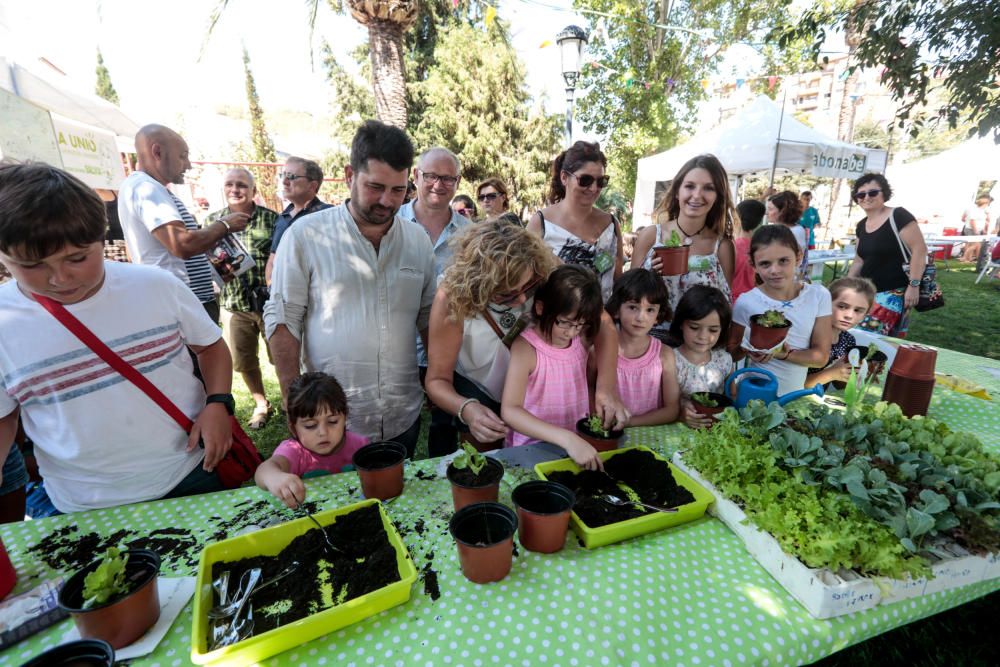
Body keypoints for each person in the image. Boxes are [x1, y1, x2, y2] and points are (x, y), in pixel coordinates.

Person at [0, 163, 235, 516]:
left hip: (189, 475)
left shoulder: (157, 286)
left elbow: (210, 345)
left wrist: (218, 402)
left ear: (103, 237)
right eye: (32, 265)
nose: (60, 278)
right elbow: (5, 415)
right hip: (81, 503)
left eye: (78, 258)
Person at [264, 121, 435, 458]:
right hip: (333, 423)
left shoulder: (418, 241)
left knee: (397, 505)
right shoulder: (305, 236)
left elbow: (429, 318)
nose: (386, 201)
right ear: (348, 174)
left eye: (398, 190)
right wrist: (292, 402)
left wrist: (437, 380)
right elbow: (283, 320)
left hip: (403, 415)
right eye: (375, 186)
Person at [424, 221, 628, 456]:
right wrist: (467, 409)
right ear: (479, 285)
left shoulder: (542, 264)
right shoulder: (452, 298)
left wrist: (605, 388)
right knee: (490, 461)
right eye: (505, 294)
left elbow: (602, 322)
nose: (522, 300)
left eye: (529, 286)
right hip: (479, 389)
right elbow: (437, 380)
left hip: (537, 391)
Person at [118, 124, 249, 322]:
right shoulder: (147, 189)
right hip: (183, 304)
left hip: (182, 301)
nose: (188, 165)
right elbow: (182, 244)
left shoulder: (143, 187)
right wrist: (224, 225)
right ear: (157, 152)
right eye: (183, 156)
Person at [501, 265, 606, 469]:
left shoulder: (581, 341)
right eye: (564, 323)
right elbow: (510, 410)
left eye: (580, 325)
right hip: (531, 450)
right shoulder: (526, 348)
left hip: (576, 449)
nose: (571, 333)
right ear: (541, 308)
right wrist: (567, 439)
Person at [205, 168, 279, 429]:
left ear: (253, 191)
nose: (235, 190)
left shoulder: (272, 220)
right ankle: (261, 404)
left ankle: (294, 402)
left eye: (242, 185)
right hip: (234, 305)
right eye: (230, 184)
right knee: (244, 361)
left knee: (281, 356)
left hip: (269, 304)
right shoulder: (212, 221)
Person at [730, 225, 833, 395]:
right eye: (765, 264)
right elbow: (731, 353)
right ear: (752, 264)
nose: (775, 270)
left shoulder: (818, 296)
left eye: (783, 261)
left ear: (798, 256)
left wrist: (781, 354)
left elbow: (820, 357)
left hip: (793, 396)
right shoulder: (746, 302)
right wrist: (746, 349)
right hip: (752, 394)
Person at [631, 154, 736, 320]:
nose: (697, 195)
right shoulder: (651, 236)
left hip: (698, 342)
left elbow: (725, 305)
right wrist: (650, 277)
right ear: (677, 192)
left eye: (709, 188)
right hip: (651, 339)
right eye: (690, 186)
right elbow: (628, 296)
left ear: (718, 197)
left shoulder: (722, 246)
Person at [254, 372, 368, 509]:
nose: (323, 432)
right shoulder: (294, 452)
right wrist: (274, 477)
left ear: (345, 418)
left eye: (332, 421)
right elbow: (264, 470)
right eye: (310, 426)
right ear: (293, 427)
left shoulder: (360, 445)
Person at [527, 141, 623, 302]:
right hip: (556, 321)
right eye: (585, 180)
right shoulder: (541, 222)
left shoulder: (611, 224)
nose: (593, 188)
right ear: (564, 177)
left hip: (600, 321)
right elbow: (526, 277)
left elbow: (617, 280)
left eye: (601, 181)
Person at [846, 173, 928, 337]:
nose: (866, 197)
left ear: (884, 193)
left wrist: (913, 285)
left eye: (873, 192)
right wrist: (846, 285)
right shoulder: (861, 225)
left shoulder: (898, 216)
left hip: (892, 294)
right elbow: (859, 260)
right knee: (864, 340)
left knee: (869, 340)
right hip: (866, 293)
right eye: (861, 194)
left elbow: (919, 250)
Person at [604, 269, 680, 427]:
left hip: (653, 439)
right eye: (633, 307)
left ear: (658, 316)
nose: (641, 317)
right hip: (608, 433)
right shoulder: (600, 350)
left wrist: (629, 422)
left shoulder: (664, 354)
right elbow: (589, 388)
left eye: (650, 310)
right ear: (617, 309)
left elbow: (672, 409)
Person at [669, 285, 735, 429]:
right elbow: (664, 402)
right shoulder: (670, 360)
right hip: (678, 431)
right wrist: (681, 412)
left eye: (713, 330)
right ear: (681, 324)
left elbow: (733, 397)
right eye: (694, 327)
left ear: (722, 330)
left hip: (717, 433)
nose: (703, 336)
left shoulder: (725, 361)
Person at [264, 157, 331, 285]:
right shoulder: (282, 218)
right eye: (282, 175)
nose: (284, 182)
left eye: (291, 176)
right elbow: (273, 259)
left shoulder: (327, 216)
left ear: (312, 186)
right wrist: (272, 289)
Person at [806, 277, 876, 388]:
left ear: (865, 315)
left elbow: (839, 385)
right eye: (842, 306)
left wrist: (859, 373)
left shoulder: (848, 340)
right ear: (825, 303)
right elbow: (795, 385)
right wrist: (831, 373)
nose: (849, 315)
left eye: (858, 310)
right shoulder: (807, 336)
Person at [766, 191, 808, 278]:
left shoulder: (794, 231)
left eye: (770, 209)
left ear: (783, 211)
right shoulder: (795, 228)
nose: (767, 213)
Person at [732, 199, 765, 303]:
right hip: (754, 301)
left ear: (736, 218)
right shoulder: (762, 247)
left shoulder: (731, 247)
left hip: (731, 302)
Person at [960, 194, 992, 263]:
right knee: (975, 245)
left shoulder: (982, 211)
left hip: (975, 229)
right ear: (985, 203)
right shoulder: (975, 210)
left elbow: (984, 221)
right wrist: (976, 230)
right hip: (972, 229)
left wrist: (983, 229)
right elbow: (972, 221)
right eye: (987, 204)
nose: (988, 205)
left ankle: (968, 258)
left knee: (972, 244)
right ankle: (964, 258)